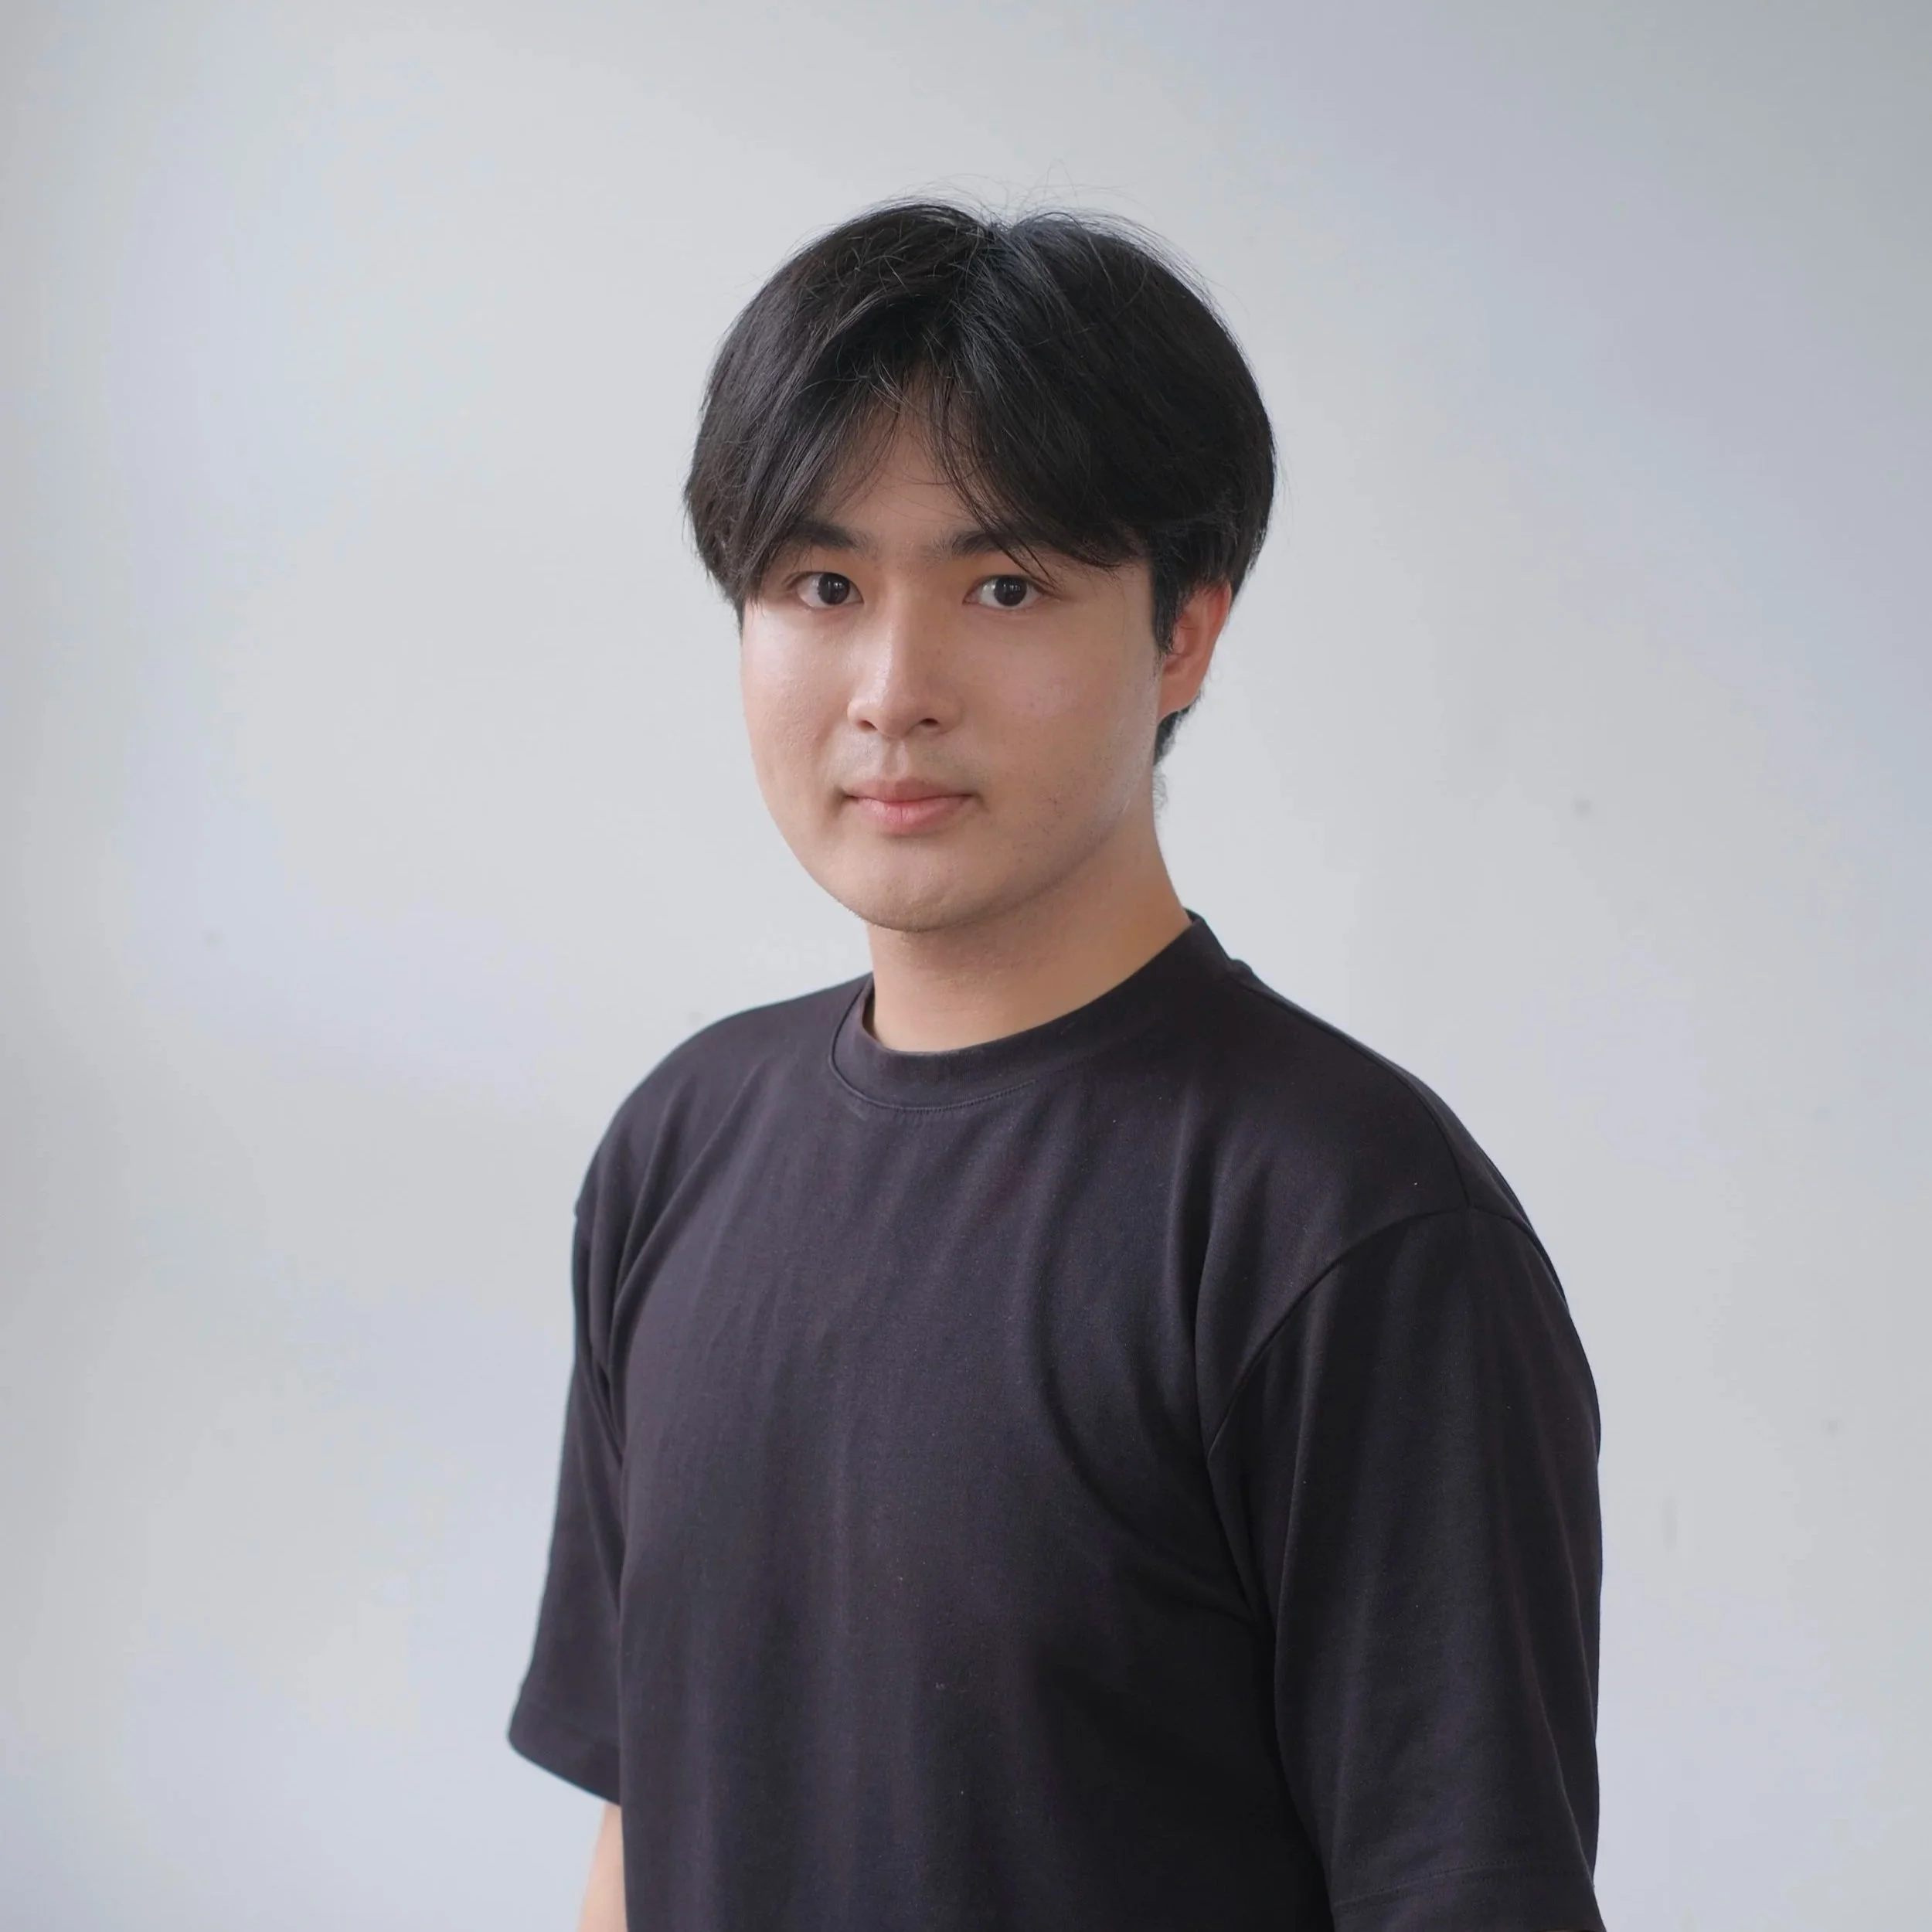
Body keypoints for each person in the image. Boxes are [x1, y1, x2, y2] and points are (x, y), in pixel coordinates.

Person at [509, 200, 1604, 1932]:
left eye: (1003, 584)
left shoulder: (1345, 1224)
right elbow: (643, 1837)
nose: (891, 687)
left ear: (1180, 631)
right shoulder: (680, 1147)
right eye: (820, 585)